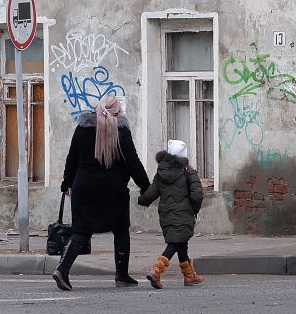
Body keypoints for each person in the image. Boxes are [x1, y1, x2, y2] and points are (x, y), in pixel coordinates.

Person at [53, 94, 150, 291]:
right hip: (113, 190)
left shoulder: (83, 128)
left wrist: (66, 184)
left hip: (84, 188)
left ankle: (62, 269)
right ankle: (121, 275)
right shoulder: (122, 131)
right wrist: (146, 187)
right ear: (118, 111)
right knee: (121, 230)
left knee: (82, 231)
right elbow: (134, 164)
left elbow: (71, 158)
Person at [138, 138, 206, 287]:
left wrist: (141, 200)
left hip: (166, 214)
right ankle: (156, 270)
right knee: (175, 243)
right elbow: (197, 195)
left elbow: (150, 194)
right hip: (183, 213)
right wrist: (194, 209)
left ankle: (189, 276)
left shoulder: (161, 172)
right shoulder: (188, 172)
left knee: (181, 243)